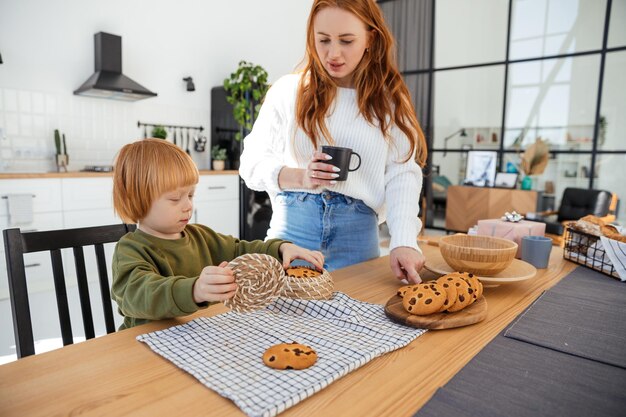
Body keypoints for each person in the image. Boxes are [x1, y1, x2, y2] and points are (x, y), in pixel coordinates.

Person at [239, 0, 427, 282]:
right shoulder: (288, 91)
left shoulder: (388, 101)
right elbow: (251, 164)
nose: (333, 53)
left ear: (370, 38)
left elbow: (402, 174)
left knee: (358, 320)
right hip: (293, 231)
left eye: (347, 40)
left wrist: (403, 240)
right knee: (278, 322)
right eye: (323, 40)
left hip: (358, 234)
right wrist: (301, 177)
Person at [111, 139, 323, 329]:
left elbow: (241, 249)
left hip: (199, 337)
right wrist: (194, 290)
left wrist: (281, 247)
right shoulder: (131, 249)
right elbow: (137, 295)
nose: (188, 206)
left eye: (191, 195)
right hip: (146, 346)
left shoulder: (201, 236)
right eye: (175, 198)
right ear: (137, 200)